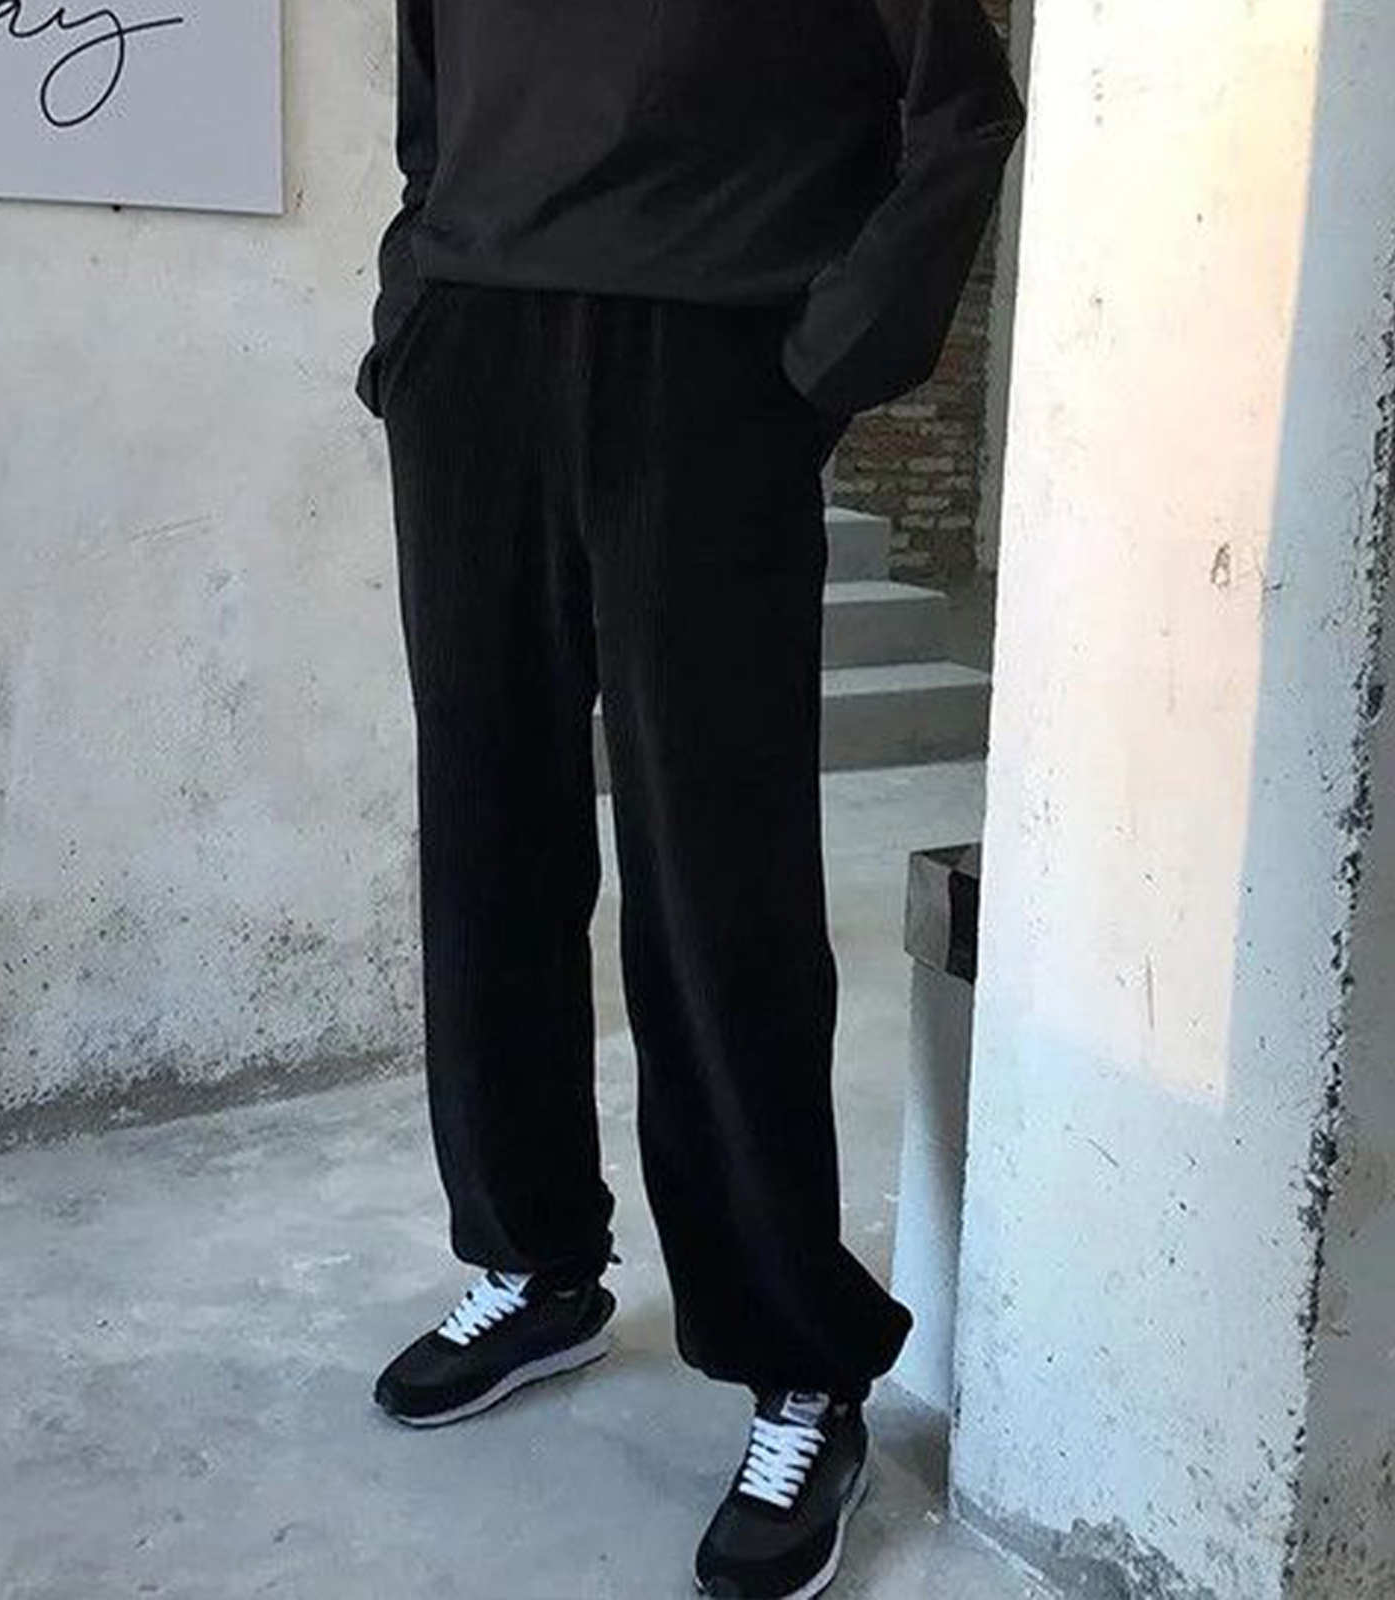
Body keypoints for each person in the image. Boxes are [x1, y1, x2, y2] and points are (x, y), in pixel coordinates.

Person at [354, 2, 1024, 1593]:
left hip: (711, 356)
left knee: (720, 875)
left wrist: (823, 361)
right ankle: (534, 1262)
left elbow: (962, 107)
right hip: (478, 354)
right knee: (488, 845)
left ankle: (798, 1360)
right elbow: (434, 99)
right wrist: (417, 308)